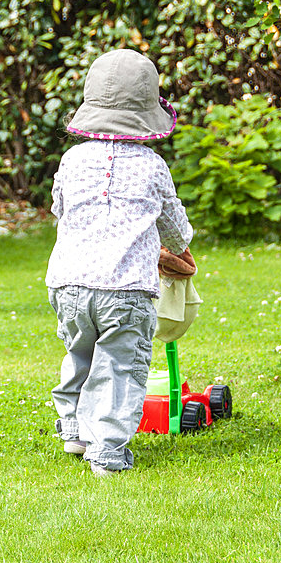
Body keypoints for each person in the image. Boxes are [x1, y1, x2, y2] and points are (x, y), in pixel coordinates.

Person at [45, 48, 194, 477]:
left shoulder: (71, 160)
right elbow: (174, 226)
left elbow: (60, 208)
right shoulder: (152, 166)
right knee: (120, 365)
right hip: (125, 288)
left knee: (80, 351)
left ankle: (74, 429)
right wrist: (180, 248)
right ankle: (107, 452)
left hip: (68, 284)